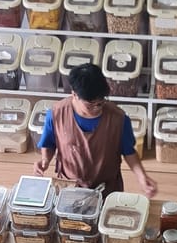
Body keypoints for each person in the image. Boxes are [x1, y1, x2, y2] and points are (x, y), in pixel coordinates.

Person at [34, 63, 157, 199]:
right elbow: (49, 144)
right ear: (74, 94)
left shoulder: (118, 119)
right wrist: (45, 160)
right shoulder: (56, 114)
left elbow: (129, 152)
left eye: (101, 102)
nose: (97, 107)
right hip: (70, 188)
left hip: (107, 189)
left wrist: (142, 177)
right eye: (90, 104)